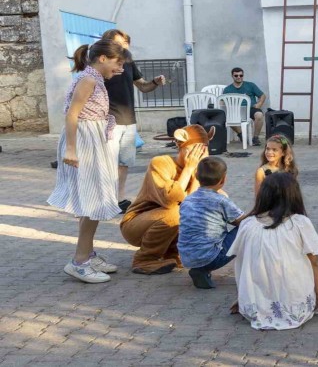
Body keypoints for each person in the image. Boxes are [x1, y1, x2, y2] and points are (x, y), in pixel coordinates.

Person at [47, 39, 130, 283]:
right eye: (118, 63)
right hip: (84, 143)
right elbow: (72, 115)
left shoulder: (94, 79)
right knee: (91, 201)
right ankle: (80, 261)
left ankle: (88, 254)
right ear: (103, 58)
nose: (120, 69)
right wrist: (71, 149)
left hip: (91, 141)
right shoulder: (88, 80)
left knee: (93, 200)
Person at [228, 172, 318, 330]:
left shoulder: (247, 224)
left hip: (253, 306)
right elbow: (314, 261)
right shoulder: (300, 223)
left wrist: (243, 296)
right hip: (296, 307)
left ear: (263, 195)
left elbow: (242, 263)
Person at [120, 125, 213, 275]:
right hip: (136, 225)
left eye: (203, 150)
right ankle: (144, 260)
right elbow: (171, 199)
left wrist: (197, 175)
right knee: (177, 212)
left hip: (165, 219)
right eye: (195, 149)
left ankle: (172, 254)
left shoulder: (200, 170)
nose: (199, 155)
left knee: (195, 211)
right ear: (181, 146)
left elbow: (194, 205)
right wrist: (189, 168)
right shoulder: (160, 162)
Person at [100, 29, 166, 213]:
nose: (124, 46)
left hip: (128, 120)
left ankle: (119, 198)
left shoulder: (128, 62)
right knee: (108, 163)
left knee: (124, 163)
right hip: (109, 120)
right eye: (120, 42)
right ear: (108, 43)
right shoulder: (102, 65)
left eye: (126, 43)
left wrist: (154, 82)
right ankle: (104, 199)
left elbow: (142, 86)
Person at [178, 156, 245, 289]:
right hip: (212, 258)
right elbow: (242, 221)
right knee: (247, 228)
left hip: (187, 257)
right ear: (223, 179)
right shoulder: (221, 201)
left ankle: (200, 270)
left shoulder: (187, 200)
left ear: (196, 176)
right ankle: (250, 274)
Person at [223, 67, 266, 146]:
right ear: (232, 76)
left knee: (259, 115)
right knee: (226, 117)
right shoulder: (227, 89)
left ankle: (255, 138)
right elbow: (222, 101)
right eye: (236, 76)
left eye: (241, 75)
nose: (239, 77)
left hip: (251, 108)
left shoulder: (250, 85)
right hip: (235, 110)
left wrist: (259, 104)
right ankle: (241, 135)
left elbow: (262, 95)